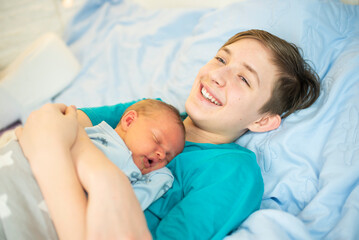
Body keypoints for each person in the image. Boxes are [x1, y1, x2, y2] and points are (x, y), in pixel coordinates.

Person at [16, 29, 320, 240]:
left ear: (263, 121)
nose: (218, 75)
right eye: (221, 59)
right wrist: (100, 175)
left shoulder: (232, 172)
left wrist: (98, 174)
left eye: (243, 78)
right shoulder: (154, 111)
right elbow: (46, 121)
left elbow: (53, 135)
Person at [0, 99, 185, 239]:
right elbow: (47, 132)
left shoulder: (141, 177)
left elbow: (127, 207)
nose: (161, 154)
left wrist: (163, 175)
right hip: (19, 173)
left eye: (168, 156)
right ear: (129, 121)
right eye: (156, 139)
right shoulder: (93, 133)